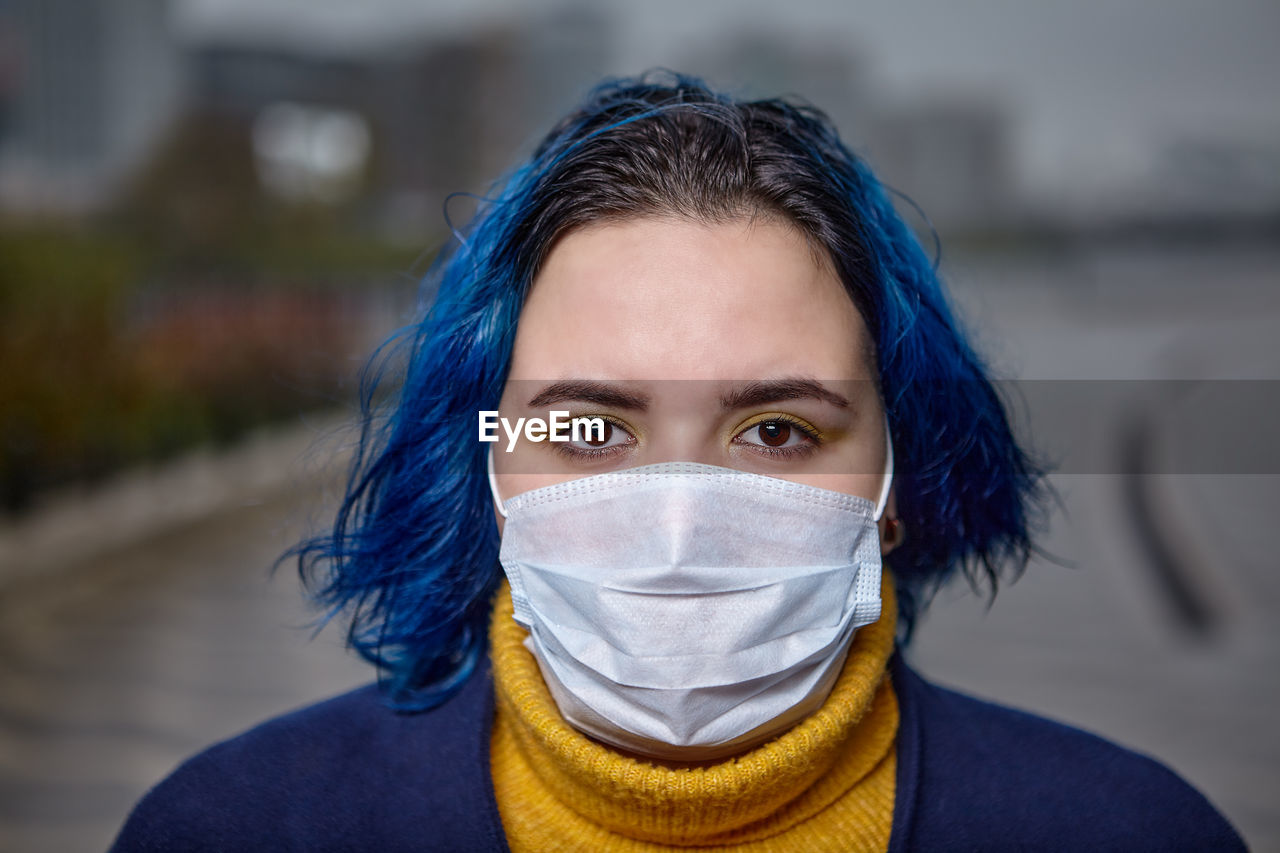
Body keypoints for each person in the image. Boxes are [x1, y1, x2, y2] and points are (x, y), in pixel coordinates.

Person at [110, 72, 1244, 852]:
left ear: (895, 485)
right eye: (591, 429)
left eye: (778, 431)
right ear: (490, 471)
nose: (677, 524)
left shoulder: (1122, 832)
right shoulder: (245, 826)